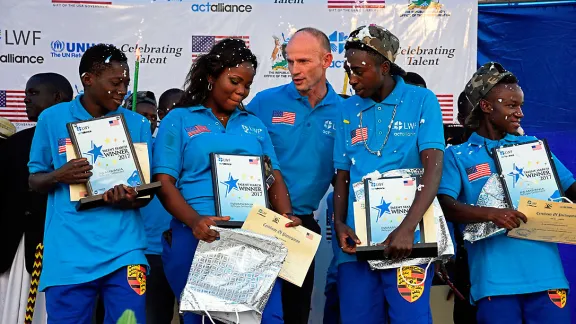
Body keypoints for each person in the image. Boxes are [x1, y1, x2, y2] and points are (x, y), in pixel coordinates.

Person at [152, 38, 299, 324]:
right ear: (211, 76)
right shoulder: (179, 120)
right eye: (234, 81)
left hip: (254, 235)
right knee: (205, 318)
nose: (241, 91)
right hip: (199, 234)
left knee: (266, 318)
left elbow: (273, 175)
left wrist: (286, 215)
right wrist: (195, 221)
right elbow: (164, 182)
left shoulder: (253, 124)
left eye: (247, 85)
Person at [438, 62, 575, 324]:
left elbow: (572, 189)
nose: (520, 113)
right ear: (487, 107)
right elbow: (446, 205)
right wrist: (492, 214)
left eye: (520, 105)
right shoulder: (457, 155)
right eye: (512, 106)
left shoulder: (533, 147)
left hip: (548, 276)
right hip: (494, 282)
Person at [28, 44, 152, 324]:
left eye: (125, 82)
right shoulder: (52, 119)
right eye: (115, 82)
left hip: (125, 251)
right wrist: (59, 175)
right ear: (88, 80)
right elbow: (34, 180)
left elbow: (145, 195)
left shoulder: (138, 124)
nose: (122, 90)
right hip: (69, 253)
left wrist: (129, 196)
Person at [332, 25, 445, 324]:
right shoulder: (347, 110)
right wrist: (339, 222)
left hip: (407, 240)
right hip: (356, 243)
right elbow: (342, 175)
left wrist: (409, 227)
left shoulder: (422, 100)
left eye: (359, 70)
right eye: (348, 70)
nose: (352, 79)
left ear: (384, 67)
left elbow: (433, 169)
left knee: (411, 319)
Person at [247, 27, 343, 324]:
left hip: (303, 224)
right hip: (257, 221)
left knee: (295, 313)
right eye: (290, 62)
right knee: (249, 312)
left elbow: (345, 175)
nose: (294, 70)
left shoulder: (345, 110)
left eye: (303, 62)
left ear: (327, 60)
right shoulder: (264, 102)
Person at [0, 73, 72, 324]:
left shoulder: (77, 141)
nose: (25, 99)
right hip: (13, 250)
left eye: (33, 93)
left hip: (56, 248)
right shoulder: (14, 143)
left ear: (58, 98)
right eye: (25, 93)